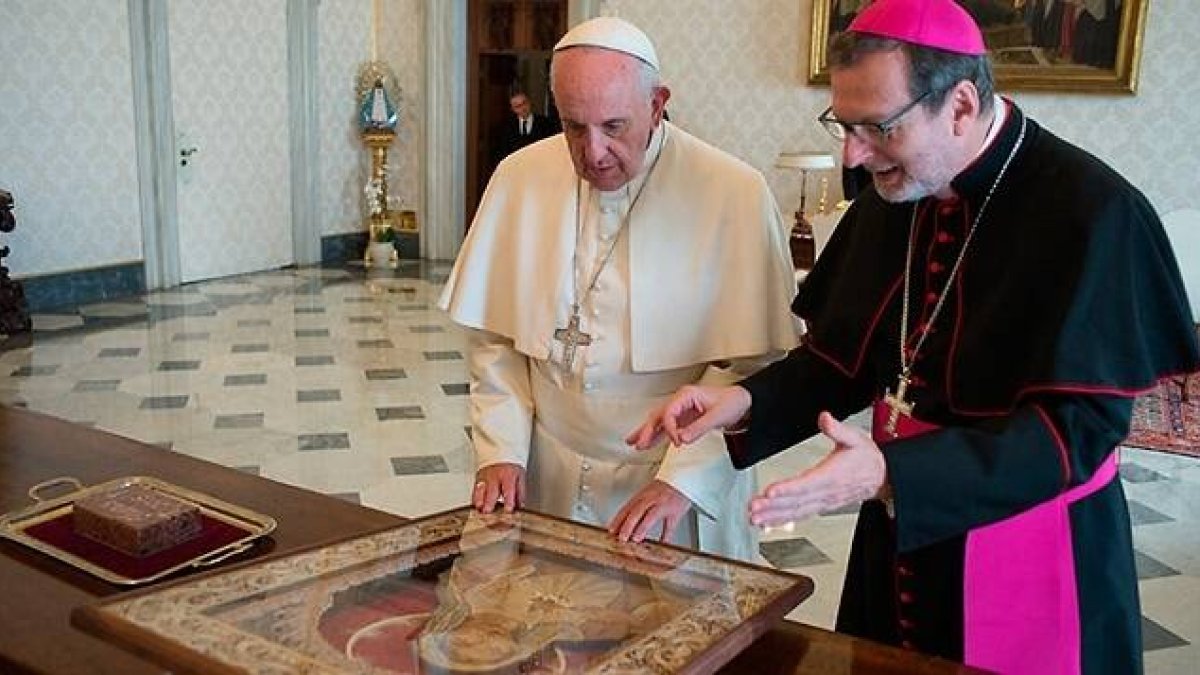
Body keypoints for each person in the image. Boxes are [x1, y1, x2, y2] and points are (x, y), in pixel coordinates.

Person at [628, 0, 1200, 672]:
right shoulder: (895, 189)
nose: (853, 154)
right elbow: (842, 360)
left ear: (960, 105)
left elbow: (1075, 432)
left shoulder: (1093, 212)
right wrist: (745, 401)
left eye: (878, 127)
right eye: (844, 125)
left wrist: (891, 471)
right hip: (900, 523)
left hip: (1034, 545)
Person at [439, 16, 799, 560]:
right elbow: (496, 341)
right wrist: (501, 449)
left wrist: (684, 480)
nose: (594, 152)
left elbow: (751, 365)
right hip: (547, 473)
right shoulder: (519, 176)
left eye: (614, 126)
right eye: (573, 127)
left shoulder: (735, 193)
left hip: (674, 482)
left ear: (657, 104)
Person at [490, 91, 559, 169]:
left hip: (539, 166)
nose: (523, 108)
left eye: (524, 103)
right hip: (515, 168)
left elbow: (550, 148)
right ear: (512, 109)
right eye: (517, 106)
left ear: (529, 103)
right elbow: (503, 151)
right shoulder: (507, 127)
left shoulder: (546, 123)